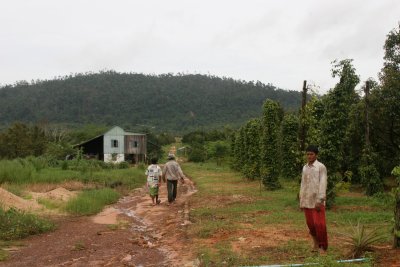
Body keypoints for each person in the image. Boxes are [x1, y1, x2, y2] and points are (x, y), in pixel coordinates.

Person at [299, 145, 328, 253]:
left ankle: (323, 247)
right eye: (308, 154)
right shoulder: (305, 167)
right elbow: (303, 184)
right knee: (311, 225)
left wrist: (320, 200)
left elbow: (323, 183)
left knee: (320, 225)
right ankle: (315, 244)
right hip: (307, 200)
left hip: (317, 201)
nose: (309, 156)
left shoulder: (321, 167)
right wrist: (301, 200)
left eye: (311, 154)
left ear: (316, 155)